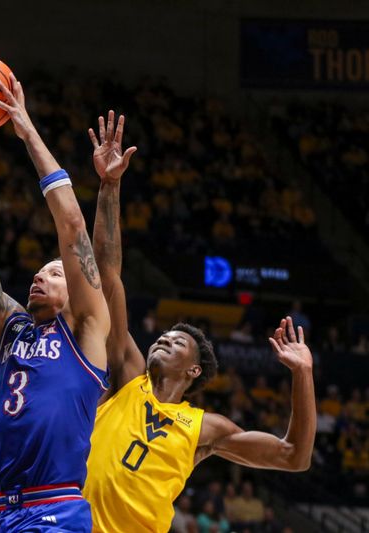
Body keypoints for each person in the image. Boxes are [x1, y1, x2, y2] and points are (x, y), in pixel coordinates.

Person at [82, 111, 317, 533]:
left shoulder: (205, 428)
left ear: (193, 370)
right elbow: (106, 274)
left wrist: (303, 374)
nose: (163, 340)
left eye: (177, 342)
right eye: (163, 336)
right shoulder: (128, 377)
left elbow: (294, 456)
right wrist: (110, 185)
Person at [0, 74, 111, 533]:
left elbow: (72, 227)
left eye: (54, 272)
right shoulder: (11, 328)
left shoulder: (87, 329)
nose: (39, 274)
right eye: (39, 271)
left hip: (53, 507)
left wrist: (26, 130)